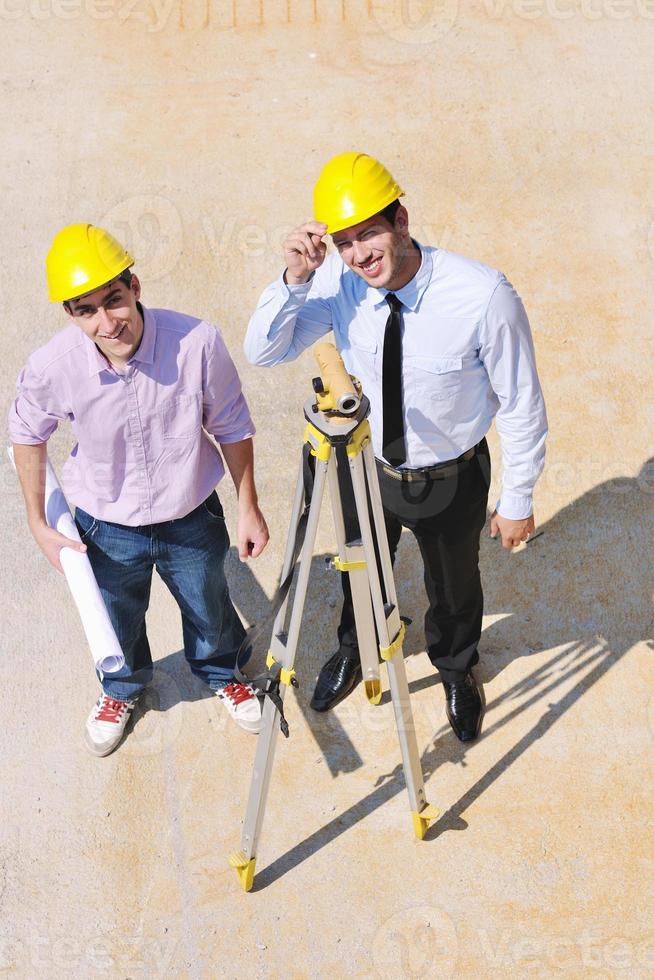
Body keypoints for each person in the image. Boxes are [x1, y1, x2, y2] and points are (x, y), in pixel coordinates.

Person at [244, 152, 547, 742]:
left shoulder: (482, 295)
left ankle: (458, 667)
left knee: (454, 585)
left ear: (401, 219)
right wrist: (296, 279)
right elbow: (266, 350)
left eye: (370, 234)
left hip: (452, 476)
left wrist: (518, 496)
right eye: (346, 242)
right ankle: (357, 649)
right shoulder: (338, 284)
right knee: (359, 569)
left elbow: (522, 402)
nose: (360, 254)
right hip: (366, 468)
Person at [9, 223, 269, 756]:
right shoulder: (52, 367)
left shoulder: (197, 343)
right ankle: (121, 688)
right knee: (115, 614)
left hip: (191, 516)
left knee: (209, 604)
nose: (107, 322)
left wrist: (248, 507)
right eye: (87, 311)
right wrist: (38, 524)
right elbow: (26, 438)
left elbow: (232, 426)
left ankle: (221, 672)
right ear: (70, 314)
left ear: (136, 286)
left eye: (114, 300)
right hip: (105, 528)